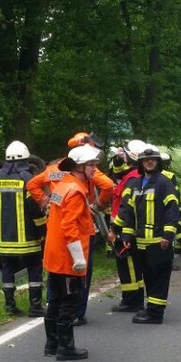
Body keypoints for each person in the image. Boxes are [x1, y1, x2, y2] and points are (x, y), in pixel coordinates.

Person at [28, 131, 114, 326]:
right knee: (76, 284)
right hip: (76, 235)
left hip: (55, 233)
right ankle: (75, 316)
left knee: (56, 286)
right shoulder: (75, 185)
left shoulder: (54, 171)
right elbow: (108, 186)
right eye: (91, 164)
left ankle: (54, 337)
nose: (94, 167)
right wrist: (97, 206)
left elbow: (33, 184)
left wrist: (44, 200)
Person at [41, 144, 102, 361]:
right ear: (79, 167)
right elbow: (69, 227)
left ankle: (52, 343)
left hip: (54, 254)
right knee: (70, 300)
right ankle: (65, 348)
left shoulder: (63, 185)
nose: (95, 169)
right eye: (91, 165)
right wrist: (78, 258)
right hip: (68, 258)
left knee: (56, 299)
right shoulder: (75, 190)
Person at [115, 145, 180, 325]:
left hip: (159, 242)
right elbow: (128, 211)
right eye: (145, 160)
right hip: (140, 243)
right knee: (148, 277)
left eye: (152, 160)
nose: (149, 162)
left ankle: (155, 313)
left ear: (158, 163)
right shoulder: (135, 184)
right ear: (141, 163)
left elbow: (172, 210)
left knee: (159, 278)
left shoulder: (164, 182)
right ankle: (151, 308)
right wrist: (126, 236)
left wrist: (168, 235)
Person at [0, 140, 47, 317]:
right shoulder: (28, 179)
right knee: (34, 269)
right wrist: (42, 232)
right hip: (28, 238)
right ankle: (35, 306)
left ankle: (10, 305)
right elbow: (35, 210)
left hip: (6, 239)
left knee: (8, 270)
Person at [108, 140, 147, 313]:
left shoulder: (132, 178)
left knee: (128, 265)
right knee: (132, 266)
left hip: (124, 228)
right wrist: (117, 160)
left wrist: (115, 229)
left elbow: (125, 207)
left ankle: (132, 301)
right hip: (128, 226)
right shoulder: (134, 175)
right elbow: (116, 173)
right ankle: (133, 298)